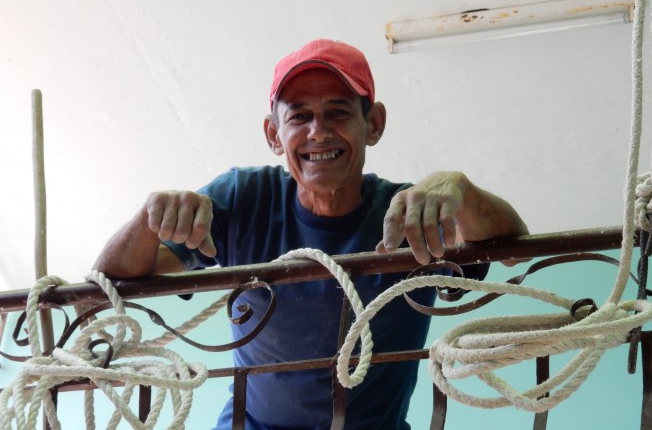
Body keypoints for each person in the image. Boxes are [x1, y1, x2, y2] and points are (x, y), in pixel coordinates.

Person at [94, 38, 528, 429]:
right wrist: (148, 218)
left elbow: (513, 250)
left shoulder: (409, 213)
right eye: (299, 116)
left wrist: (461, 188)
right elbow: (109, 281)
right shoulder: (243, 197)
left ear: (373, 123)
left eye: (337, 112)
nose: (317, 132)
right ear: (274, 135)